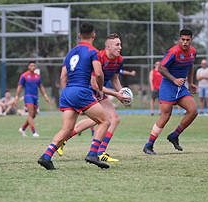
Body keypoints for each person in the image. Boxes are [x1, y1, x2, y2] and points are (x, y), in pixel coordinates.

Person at [37, 22, 110, 170]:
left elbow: (63, 76)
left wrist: (67, 94)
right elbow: (98, 73)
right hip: (81, 90)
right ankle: (92, 153)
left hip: (68, 91)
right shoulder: (92, 51)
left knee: (67, 129)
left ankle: (46, 156)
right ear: (94, 35)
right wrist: (100, 89)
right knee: (104, 121)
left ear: (79, 36)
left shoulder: (71, 52)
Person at [56, 33, 131, 162]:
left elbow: (115, 79)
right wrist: (116, 94)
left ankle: (67, 141)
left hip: (100, 92)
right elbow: (94, 84)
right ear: (108, 46)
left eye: (120, 44)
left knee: (109, 119)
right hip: (88, 90)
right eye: (117, 45)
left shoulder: (119, 60)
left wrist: (122, 93)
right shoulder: (99, 57)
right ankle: (98, 151)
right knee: (106, 119)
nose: (120, 47)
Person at [143, 28, 198, 155]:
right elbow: (161, 68)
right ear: (179, 39)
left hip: (181, 87)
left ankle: (174, 135)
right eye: (182, 40)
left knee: (193, 111)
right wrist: (173, 80)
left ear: (191, 40)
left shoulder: (193, 52)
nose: (185, 42)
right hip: (168, 86)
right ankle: (148, 145)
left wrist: (191, 82)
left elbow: (191, 66)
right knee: (166, 115)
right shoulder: (173, 52)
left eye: (187, 40)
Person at [15, 61, 51, 137]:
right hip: (28, 96)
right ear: (28, 67)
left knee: (33, 115)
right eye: (31, 65)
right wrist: (17, 96)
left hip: (35, 97)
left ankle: (22, 128)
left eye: (34, 66)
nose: (33, 67)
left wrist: (45, 96)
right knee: (30, 114)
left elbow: (41, 86)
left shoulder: (37, 76)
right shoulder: (24, 75)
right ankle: (34, 132)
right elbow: (20, 86)